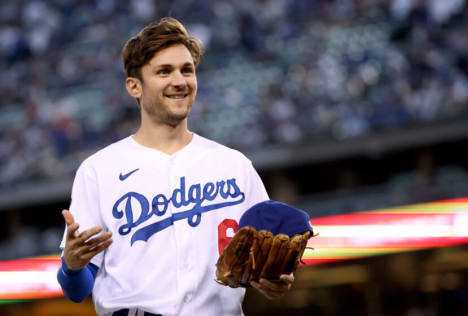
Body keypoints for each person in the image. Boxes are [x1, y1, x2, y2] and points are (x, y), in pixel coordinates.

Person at [57, 17, 294, 316]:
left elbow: (268, 261)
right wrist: (73, 266)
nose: (179, 81)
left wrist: (275, 279)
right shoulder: (99, 170)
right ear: (134, 86)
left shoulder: (234, 165)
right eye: (164, 72)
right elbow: (76, 291)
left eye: (187, 70)